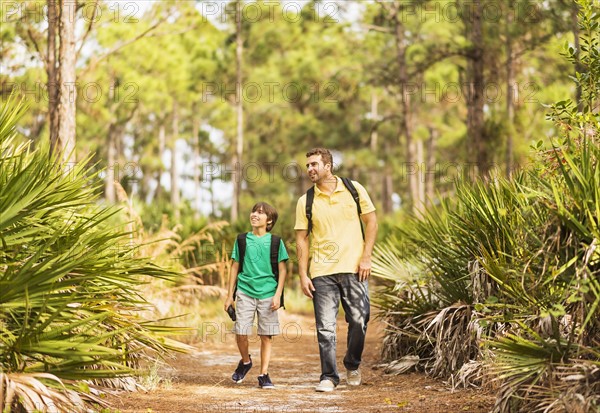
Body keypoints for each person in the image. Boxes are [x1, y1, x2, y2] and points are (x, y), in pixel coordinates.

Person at [295, 148, 378, 392]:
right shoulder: (306, 201)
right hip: (322, 271)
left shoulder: (354, 189)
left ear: (328, 166)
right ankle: (329, 377)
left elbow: (371, 221)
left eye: (314, 164)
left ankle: (352, 364)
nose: (310, 169)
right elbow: (302, 239)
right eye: (307, 165)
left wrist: (367, 256)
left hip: (354, 268)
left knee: (359, 319)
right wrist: (302, 274)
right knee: (325, 327)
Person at [224, 202, 289, 389]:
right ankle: (246, 362)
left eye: (260, 213)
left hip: (268, 293)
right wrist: (230, 296)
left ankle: (264, 375)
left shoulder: (276, 241)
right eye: (253, 211)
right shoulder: (242, 239)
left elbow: (283, 270)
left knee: (266, 335)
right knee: (241, 331)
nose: (254, 215)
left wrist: (278, 295)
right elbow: (234, 266)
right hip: (245, 291)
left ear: (269, 220)